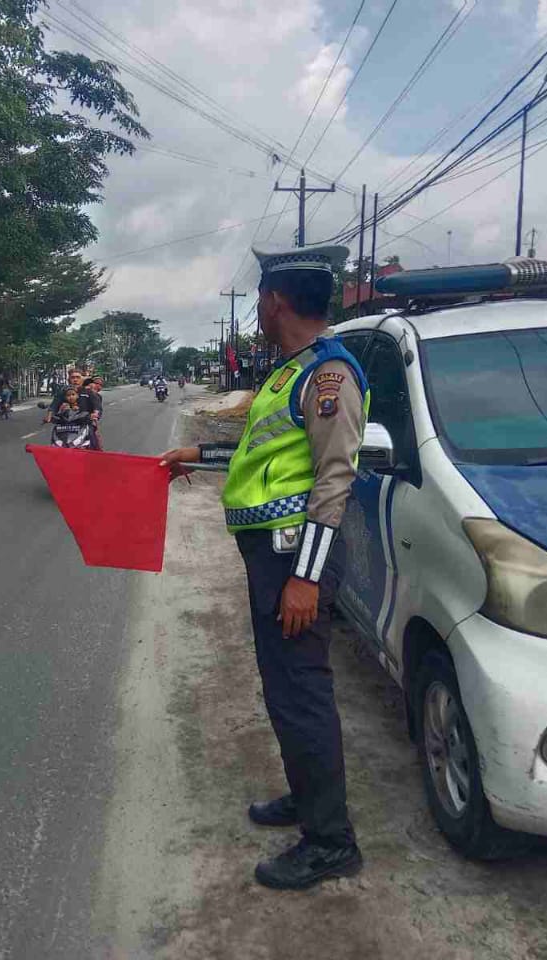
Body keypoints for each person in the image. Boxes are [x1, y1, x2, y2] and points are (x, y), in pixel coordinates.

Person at [159, 244, 369, 891]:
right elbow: (262, 455)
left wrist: (306, 577)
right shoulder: (288, 374)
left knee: (302, 693)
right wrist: (196, 453)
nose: (256, 309)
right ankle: (309, 804)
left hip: (294, 560)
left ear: (277, 301)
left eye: (258, 300)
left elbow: (334, 481)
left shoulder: (330, 375)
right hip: (270, 558)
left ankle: (331, 842)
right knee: (284, 690)